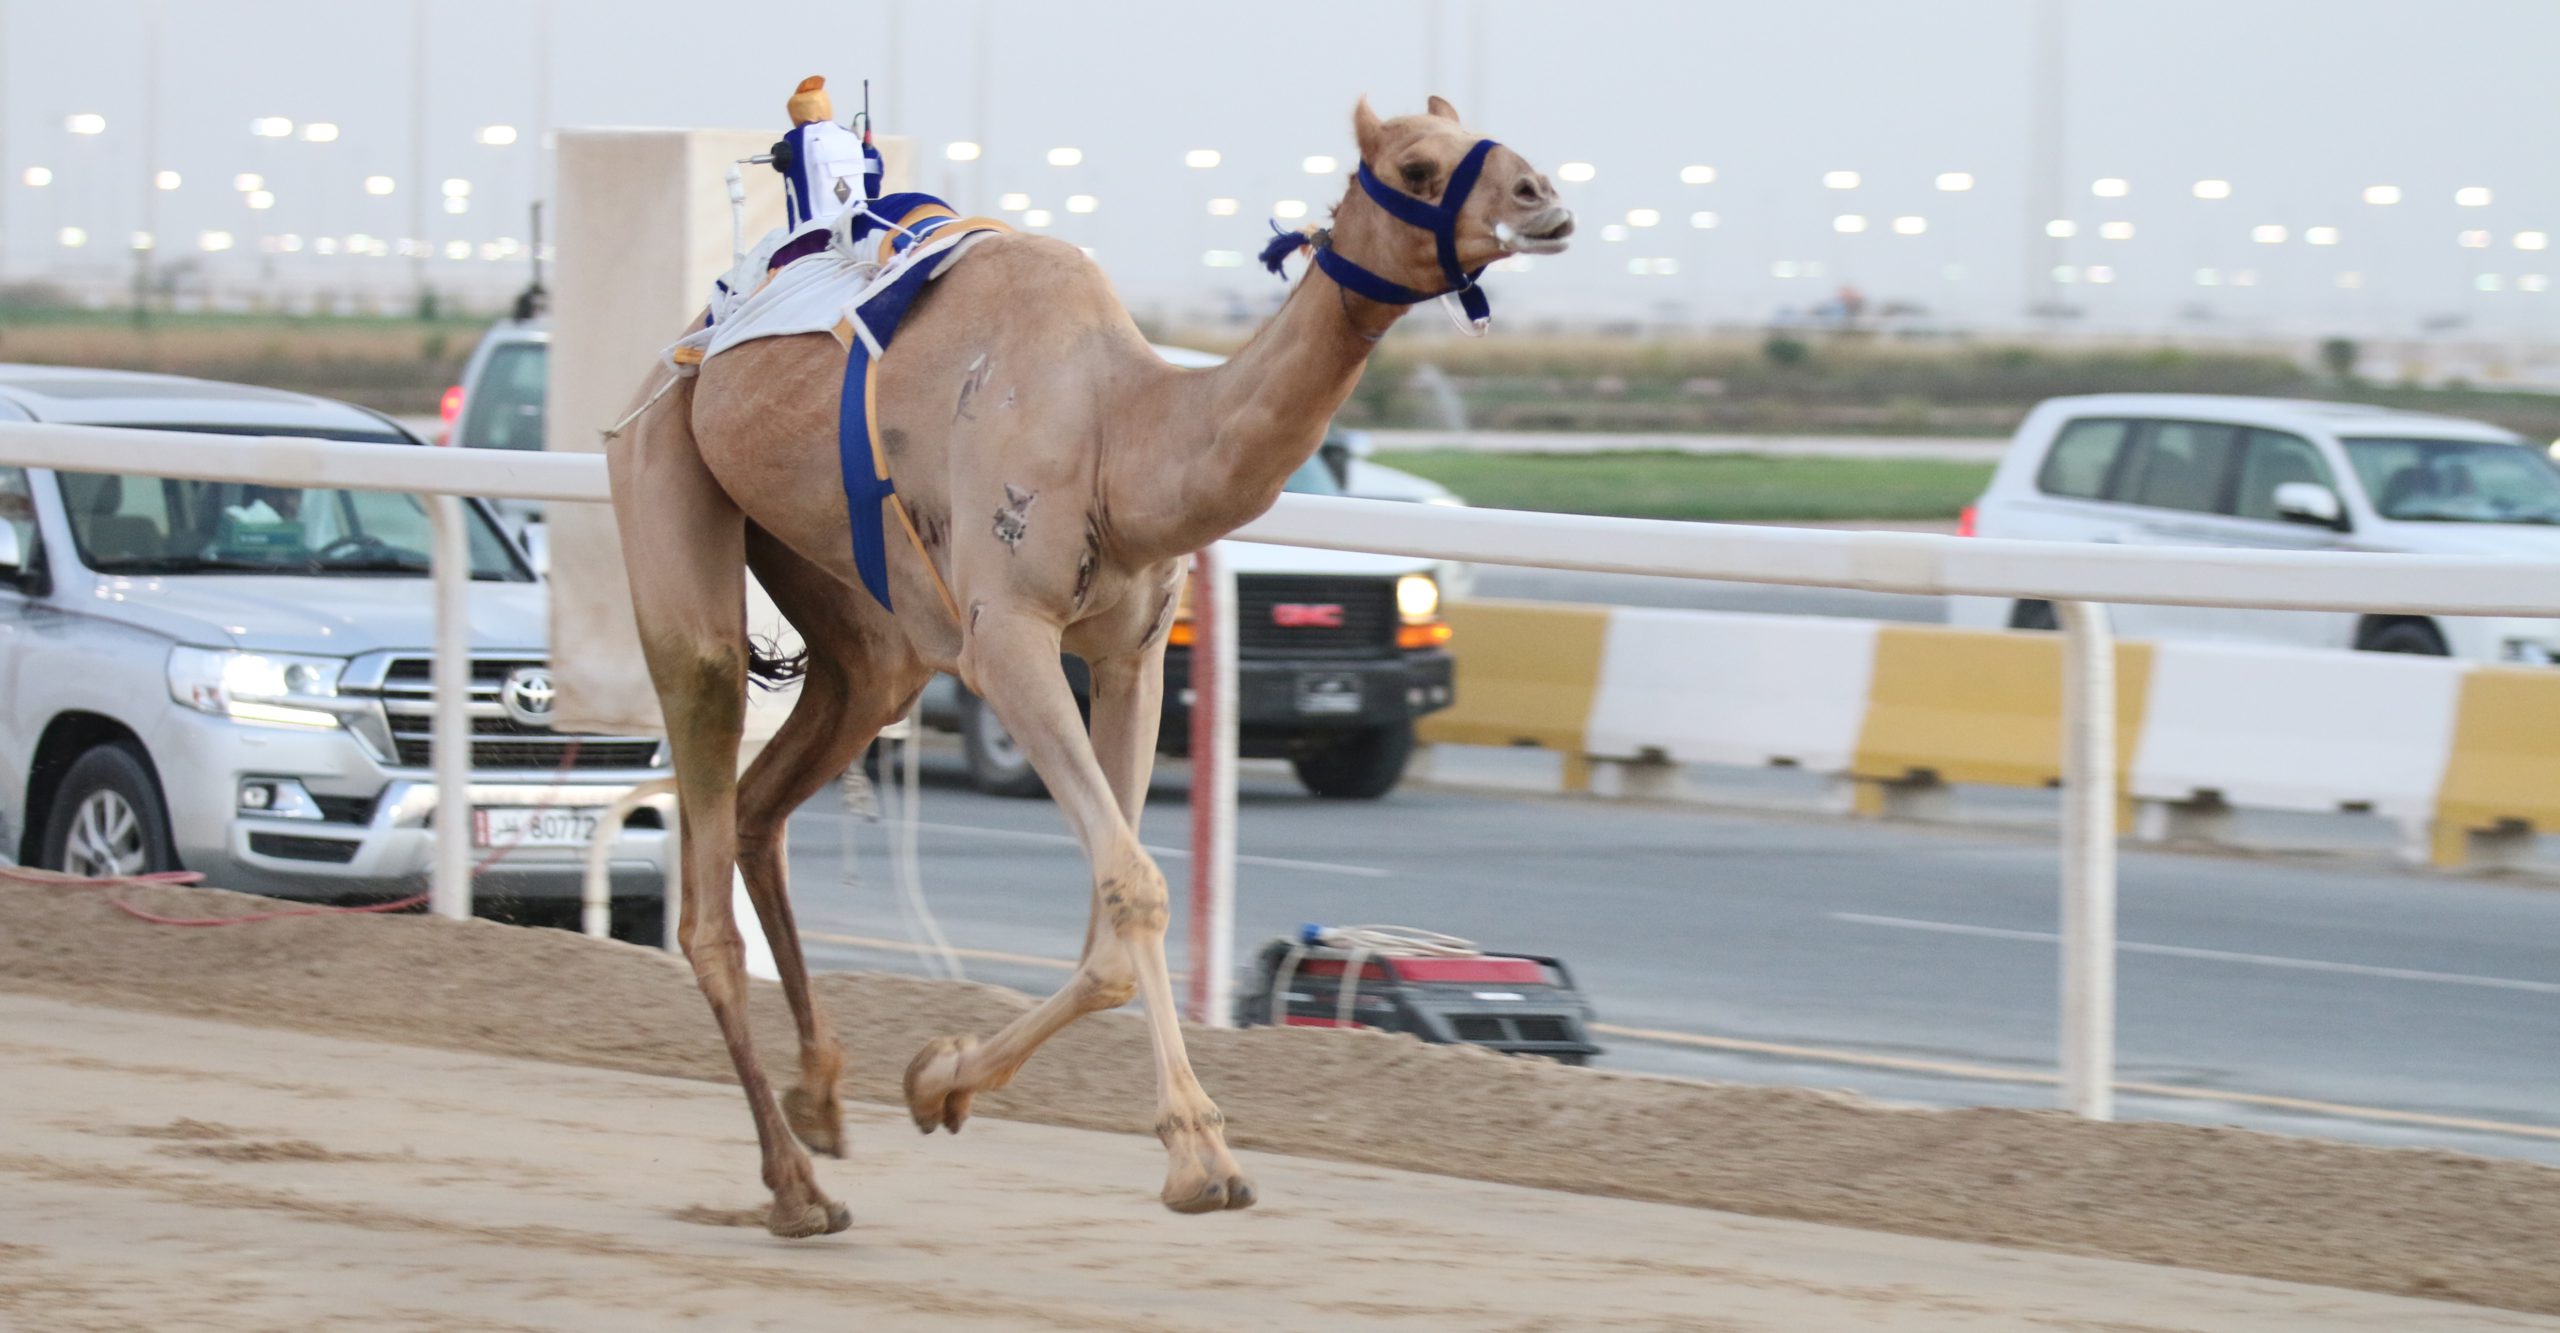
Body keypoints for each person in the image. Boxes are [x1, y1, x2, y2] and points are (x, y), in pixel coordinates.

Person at [770, 76, 883, 231]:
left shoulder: (794, 139)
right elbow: (872, 179)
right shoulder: (849, 137)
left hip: (812, 228)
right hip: (856, 219)